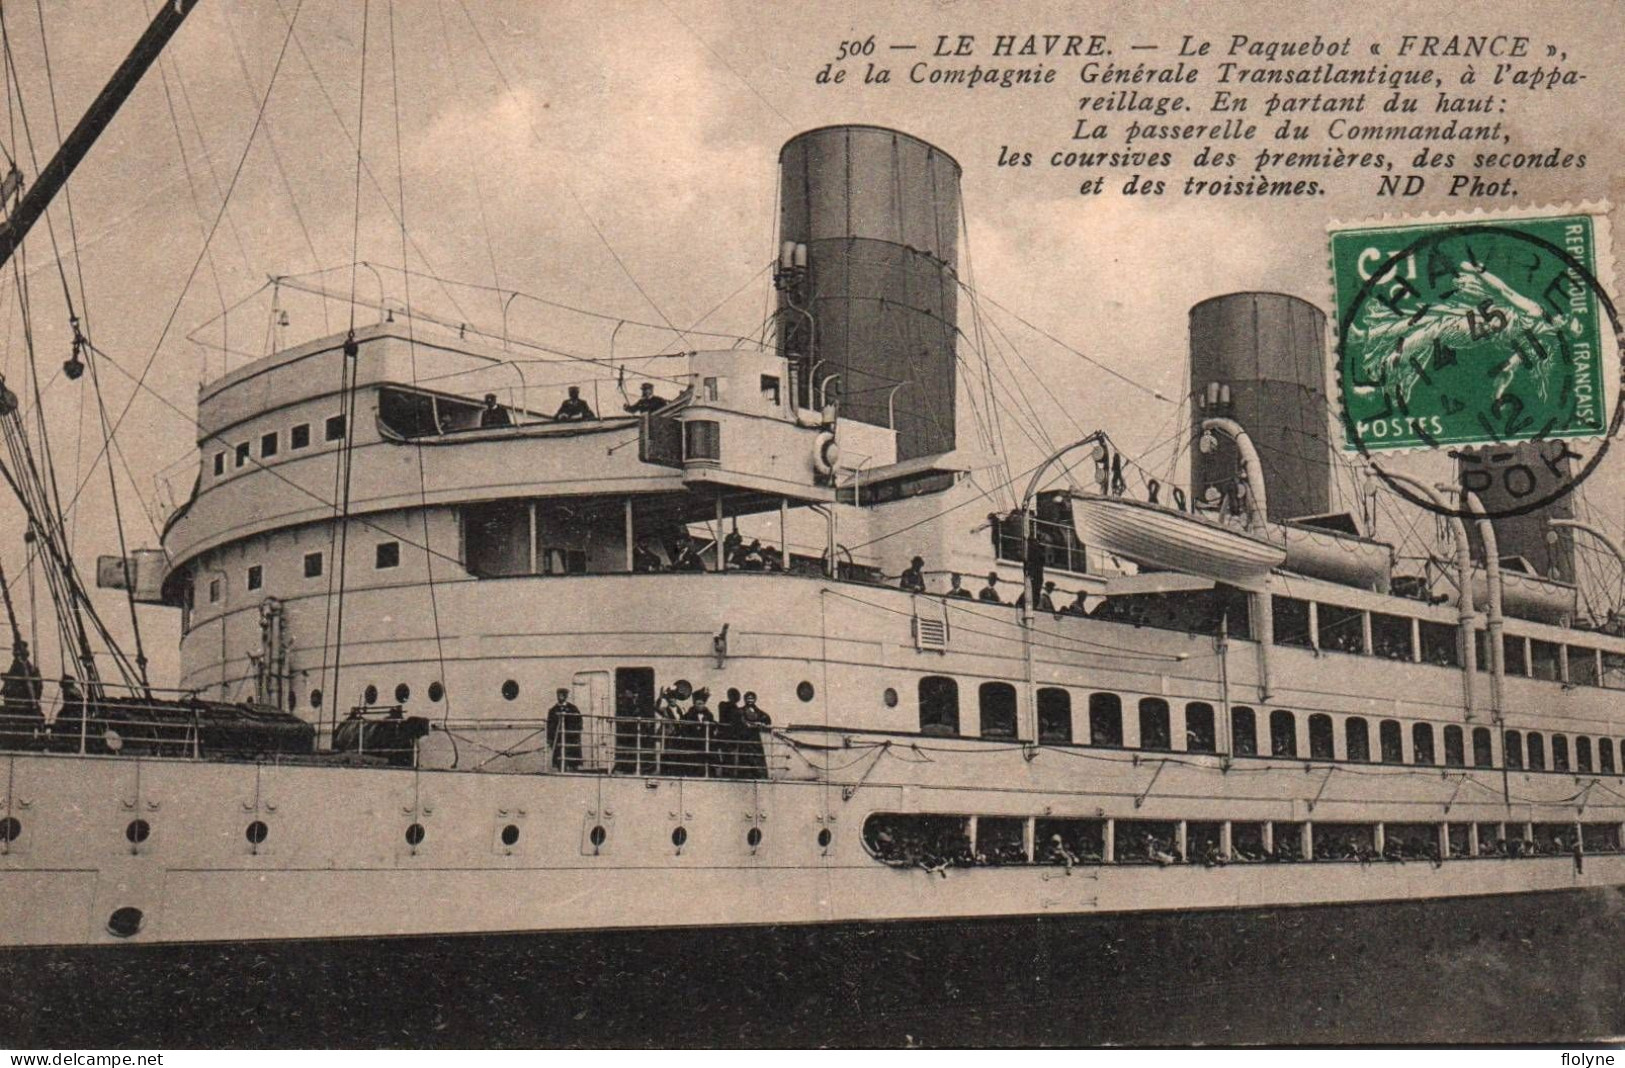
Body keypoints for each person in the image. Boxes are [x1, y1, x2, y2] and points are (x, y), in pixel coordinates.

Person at [0, 639, 43, 748]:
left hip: (20, 705)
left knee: (17, 726)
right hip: (17, 704)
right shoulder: (19, 665)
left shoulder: (24, 666)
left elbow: (33, 684)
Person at [679, 687, 717, 777]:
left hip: (704, 744)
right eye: (698, 703)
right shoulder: (687, 716)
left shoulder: (709, 715)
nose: (700, 706)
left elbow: (712, 728)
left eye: (702, 704)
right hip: (692, 745)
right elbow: (684, 730)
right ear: (694, 704)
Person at [546, 688, 583, 771]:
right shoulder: (553, 710)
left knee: (572, 759)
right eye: (559, 695)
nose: (560, 697)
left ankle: (573, 771)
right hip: (558, 738)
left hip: (571, 738)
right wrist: (550, 739)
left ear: (566, 696)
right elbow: (550, 725)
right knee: (560, 758)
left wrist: (576, 734)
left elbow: (579, 722)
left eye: (562, 695)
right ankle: (561, 770)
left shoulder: (573, 709)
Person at [738, 691, 772, 777]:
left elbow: (767, 718)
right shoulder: (741, 710)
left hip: (755, 736)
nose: (750, 700)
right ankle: (746, 774)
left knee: (757, 755)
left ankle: (758, 773)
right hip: (746, 736)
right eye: (748, 698)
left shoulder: (757, 710)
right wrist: (749, 724)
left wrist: (761, 723)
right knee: (746, 755)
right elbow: (742, 720)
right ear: (745, 699)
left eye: (752, 698)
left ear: (755, 699)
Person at [716, 688, 743, 776]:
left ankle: (727, 773)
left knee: (728, 757)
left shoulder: (724, 705)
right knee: (728, 757)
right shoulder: (732, 708)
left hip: (727, 736)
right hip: (729, 736)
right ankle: (727, 773)